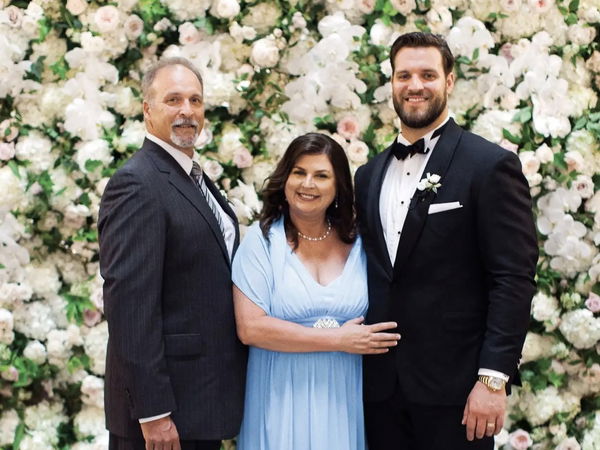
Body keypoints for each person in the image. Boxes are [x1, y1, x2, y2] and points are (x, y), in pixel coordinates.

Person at [354, 32, 538, 450]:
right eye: (404, 75)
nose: (414, 85)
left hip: (458, 394)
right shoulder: (367, 176)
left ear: (449, 82)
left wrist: (492, 380)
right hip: (379, 392)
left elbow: (513, 278)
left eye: (427, 74)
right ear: (392, 83)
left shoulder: (490, 166)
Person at [98, 57, 247, 450]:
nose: (187, 111)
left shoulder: (192, 176)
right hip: (165, 416)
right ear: (148, 109)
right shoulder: (137, 183)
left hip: (199, 402)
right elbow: (129, 304)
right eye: (173, 100)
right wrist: (154, 411)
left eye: (195, 101)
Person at [232, 133, 400, 450]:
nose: (307, 184)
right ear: (285, 178)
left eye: (321, 175)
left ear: (338, 186)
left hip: (342, 396)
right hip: (279, 396)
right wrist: (338, 339)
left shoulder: (361, 242)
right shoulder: (261, 241)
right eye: (299, 172)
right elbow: (250, 328)